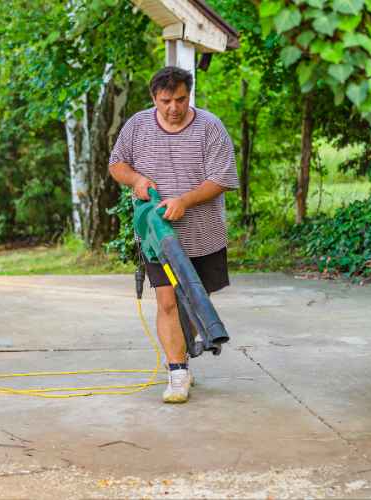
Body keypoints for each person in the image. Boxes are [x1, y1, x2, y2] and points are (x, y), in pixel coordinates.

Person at [108, 66, 239, 404]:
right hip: (157, 237)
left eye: (181, 99)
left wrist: (184, 201)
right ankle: (177, 371)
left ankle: (186, 348)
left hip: (202, 235)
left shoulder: (210, 127)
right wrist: (136, 180)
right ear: (154, 98)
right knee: (167, 300)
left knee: (194, 301)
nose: (174, 108)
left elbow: (222, 178)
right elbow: (117, 164)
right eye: (166, 101)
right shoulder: (137, 125)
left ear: (188, 95)